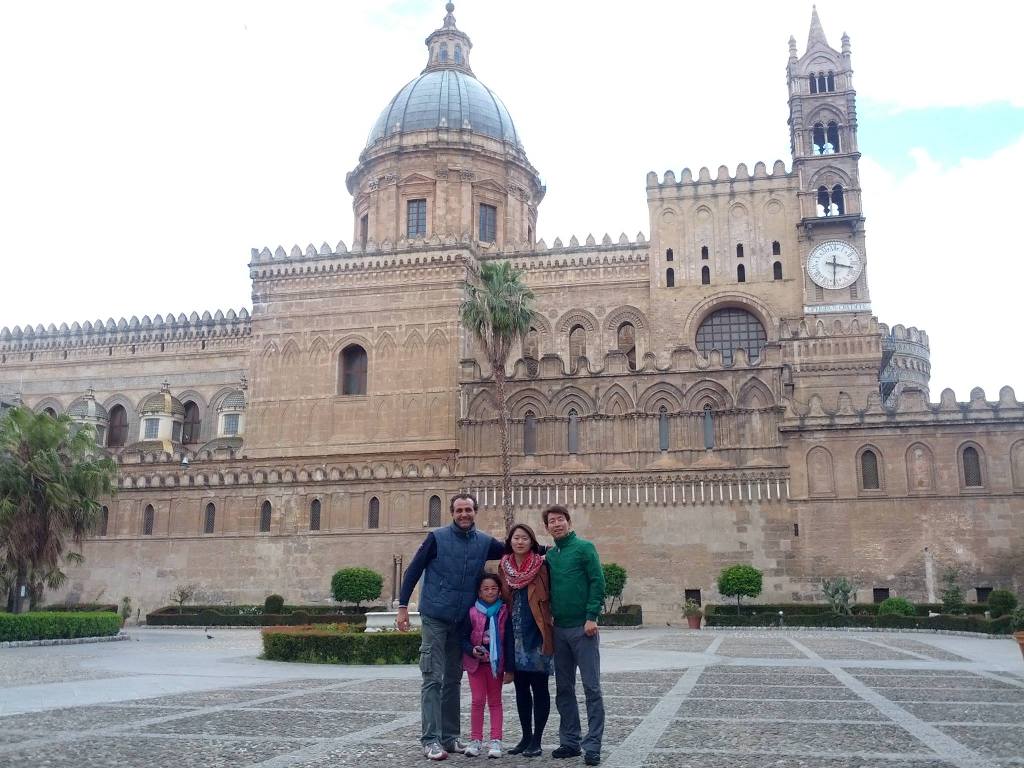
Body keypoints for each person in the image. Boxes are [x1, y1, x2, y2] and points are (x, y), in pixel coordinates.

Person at [397, 493, 506, 761]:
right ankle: (430, 739)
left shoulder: (484, 542)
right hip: (435, 617)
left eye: (468, 509)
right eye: (459, 510)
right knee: (433, 677)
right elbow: (413, 570)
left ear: (475, 511)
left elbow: (514, 548)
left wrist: (547, 551)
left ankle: (449, 736)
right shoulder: (436, 538)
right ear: (452, 513)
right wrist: (403, 607)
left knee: (453, 680)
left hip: (460, 623)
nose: (464, 514)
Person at [543, 505, 606, 766]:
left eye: (560, 519)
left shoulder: (584, 548)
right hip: (559, 630)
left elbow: (598, 581)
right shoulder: (551, 556)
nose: (556, 524)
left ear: (569, 522)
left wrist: (592, 616)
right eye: (552, 521)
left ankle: (593, 745)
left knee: (591, 687)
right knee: (564, 688)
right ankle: (570, 741)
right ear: (547, 527)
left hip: (583, 628)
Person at [497, 522, 554, 758]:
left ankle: (537, 739)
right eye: (516, 538)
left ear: (532, 542)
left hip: (537, 633)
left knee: (539, 687)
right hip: (514, 634)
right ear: (510, 542)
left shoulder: (542, 565)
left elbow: (551, 595)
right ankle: (525, 737)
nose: (520, 542)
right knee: (521, 688)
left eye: (524, 538)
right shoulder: (504, 567)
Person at [459, 573, 513, 758]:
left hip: (496, 665)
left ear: (499, 591)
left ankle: (496, 739)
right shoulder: (472, 612)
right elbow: (463, 638)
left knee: (495, 702)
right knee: (477, 700)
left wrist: (510, 668)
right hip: (476, 664)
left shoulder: (504, 611)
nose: (490, 592)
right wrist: (471, 649)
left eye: (494, 588)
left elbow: (509, 641)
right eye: (486, 589)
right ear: (479, 592)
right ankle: (476, 739)